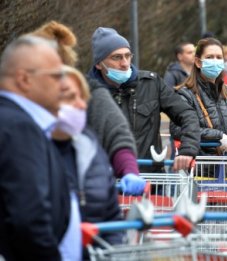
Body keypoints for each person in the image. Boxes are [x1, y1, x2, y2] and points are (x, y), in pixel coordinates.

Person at [32, 20, 145, 195]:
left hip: (86, 194)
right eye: (117, 57)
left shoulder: (89, 91)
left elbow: (116, 133)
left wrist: (129, 170)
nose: (124, 63)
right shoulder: (18, 104)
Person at [88, 27, 200, 173]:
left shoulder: (151, 83)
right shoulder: (86, 92)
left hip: (150, 178)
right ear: (98, 63)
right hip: (106, 181)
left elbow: (187, 114)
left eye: (128, 56)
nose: (125, 63)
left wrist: (188, 149)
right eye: (116, 57)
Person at [0, 35, 71, 260]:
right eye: (56, 76)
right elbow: (29, 219)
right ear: (24, 79)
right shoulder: (20, 127)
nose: (64, 85)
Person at [53, 65, 123, 259]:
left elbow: (113, 219)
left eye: (82, 98)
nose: (81, 105)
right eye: (69, 97)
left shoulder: (91, 150)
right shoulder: (26, 151)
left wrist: (106, 254)